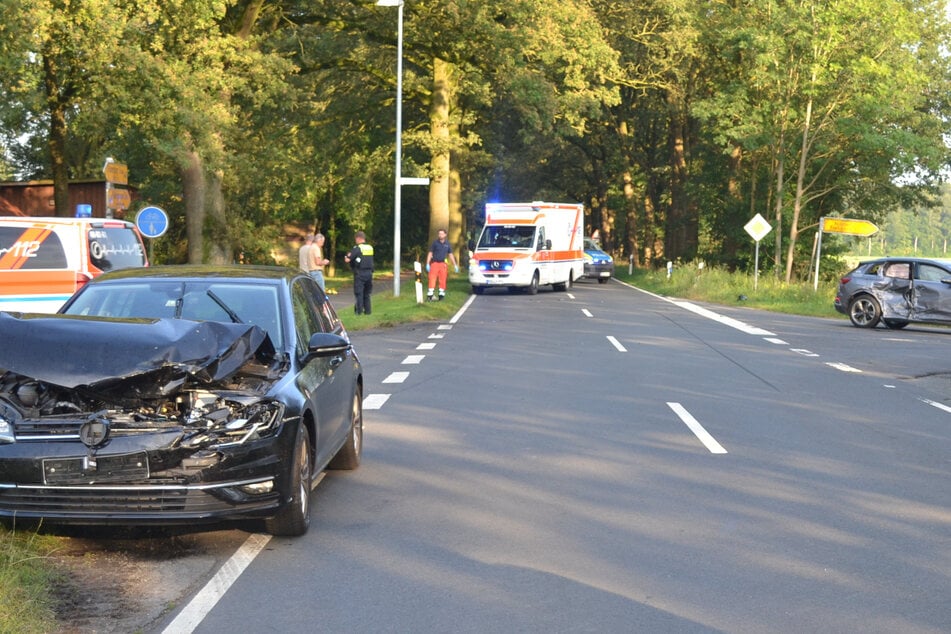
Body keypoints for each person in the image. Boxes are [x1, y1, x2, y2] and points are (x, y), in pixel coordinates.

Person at [344, 230, 374, 315]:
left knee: (359, 293)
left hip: (360, 273)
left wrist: (347, 255)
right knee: (367, 294)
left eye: (355, 239)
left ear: (358, 238)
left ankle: (359, 312)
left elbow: (348, 259)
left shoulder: (357, 248)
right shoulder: (370, 247)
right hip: (369, 273)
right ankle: (368, 311)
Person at [425, 228, 459, 301]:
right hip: (435, 263)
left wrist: (455, 265)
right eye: (439, 234)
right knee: (432, 279)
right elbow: (430, 253)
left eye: (442, 234)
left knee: (443, 280)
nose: (440, 235)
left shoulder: (447, 244)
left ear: (445, 235)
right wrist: (427, 263)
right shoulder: (435, 243)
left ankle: (441, 295)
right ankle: (430, 295)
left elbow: (450, 254)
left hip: (443, 264)